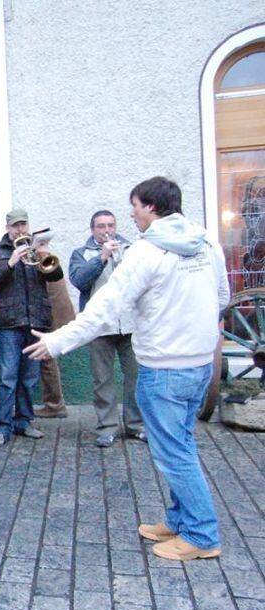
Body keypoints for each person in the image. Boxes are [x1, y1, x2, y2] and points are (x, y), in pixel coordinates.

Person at [25, 177, 229, 562]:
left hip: (164, 369)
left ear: (150, 207)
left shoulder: (146, 252)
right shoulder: (206, 243)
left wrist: (55, 341)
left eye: (134, 206)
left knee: (175, 454)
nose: (131, 215)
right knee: (181, 444)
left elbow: (105, 307)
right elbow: (222, 297)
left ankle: (202, 536)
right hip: (198, 365)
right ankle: (180, 520)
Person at [0, 208, 64, 448]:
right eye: (15, 225)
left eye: (23, 225)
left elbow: (55, 275)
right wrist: (11, 262)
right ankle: (2, 427)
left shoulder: (36, 248)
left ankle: (24, 422)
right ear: (7, 227)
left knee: (29, 378)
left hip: (36, 320)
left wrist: (44, 254)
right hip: (9, 321)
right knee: (8, 377)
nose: (20, 230)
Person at [68, 210, 145, 447]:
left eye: (110, 225)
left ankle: (135, 426)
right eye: (100, 226)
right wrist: (101, 257)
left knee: (135, 377)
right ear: (92, 230)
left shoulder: (131, 249)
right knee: (103, 379)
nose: (106, 230)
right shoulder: (81, 253)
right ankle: (107, 427)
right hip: (99, 326)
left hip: (130, 324)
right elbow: (79, 281)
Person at [32, 230, 76, 419]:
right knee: (47, 360)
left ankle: (55, 404)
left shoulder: (43, 259)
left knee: (47, 360)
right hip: (51, 313)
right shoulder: (46, 257)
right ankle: (54, 403)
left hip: (49, 315)